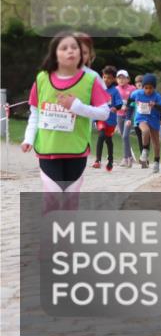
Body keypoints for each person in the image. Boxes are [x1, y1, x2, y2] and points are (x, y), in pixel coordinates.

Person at [21, 32, 111, 214]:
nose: (70, 51)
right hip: (48, 147)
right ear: (54, 53)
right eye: (64, 48)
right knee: (53, 195)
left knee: (70, 201)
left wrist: (76, 107)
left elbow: (104, 113)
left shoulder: (91, 79)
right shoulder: (42, 78)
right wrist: (28, 138)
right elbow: (35, 113)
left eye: (75, 48)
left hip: (75, 149)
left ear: (82, 54)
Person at [128, 74, 161, 171]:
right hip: (141, 118)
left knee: (156, 142)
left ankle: (156, 162)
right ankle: (145, 151)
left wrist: (155, 105)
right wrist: (132, 104)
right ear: (143, 87)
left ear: (154, 88)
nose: (148, 90)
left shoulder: (157, 96)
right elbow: (130, 99)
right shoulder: (138, 93)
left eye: (151, 88)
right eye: (146, 88)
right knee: (145, 131)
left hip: (154, 119)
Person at [93, 66, 124, 171]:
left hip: (110, 120)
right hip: (100, 117)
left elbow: (120, 104)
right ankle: (97, 160)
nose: (106, 80)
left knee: (108, 139)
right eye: (104, 77)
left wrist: (116, 107)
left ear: (113, 79)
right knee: (101, 135)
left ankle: (110, 160)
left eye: (109, 78)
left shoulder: (115, 91)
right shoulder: (98, 89)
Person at [114, 70, 136, 167]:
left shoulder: (132, 89)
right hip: (119, 115)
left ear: (128, 79)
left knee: (125, 136)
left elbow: (135, 102)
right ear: (116, 79)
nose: (121, 80)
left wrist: (129, 106)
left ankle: (127, 158)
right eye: (119, 78)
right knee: (124, 137)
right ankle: (127, 158)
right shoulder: (115, 89)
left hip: (129, 115)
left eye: (123, 78)